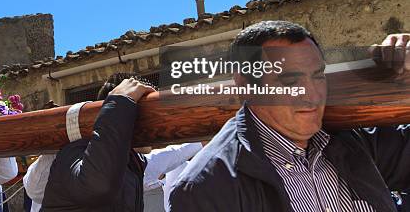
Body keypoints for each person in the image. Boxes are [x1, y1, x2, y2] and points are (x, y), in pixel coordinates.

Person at [170, 20, 410, 211]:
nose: (312, 95)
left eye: (318, 76)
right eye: (290, 81)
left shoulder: (354, 142)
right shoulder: (206, 188)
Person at [39, 74, 155, 211]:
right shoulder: (75, 153)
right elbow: (98, 187)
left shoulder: (133, 161)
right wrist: (119, 103)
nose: (154, 123)